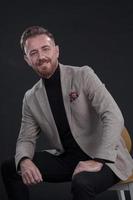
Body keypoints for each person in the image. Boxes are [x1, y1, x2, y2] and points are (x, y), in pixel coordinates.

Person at [1, 26, 133, 200]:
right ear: (27, 59)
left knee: (82, 182)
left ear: (56, 51)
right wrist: (24, 160)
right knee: (11, 167)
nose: (41, 57)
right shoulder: (30, 98)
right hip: (68, 159)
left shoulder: (83, 75)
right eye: (33, 53)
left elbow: (113, 115)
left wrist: (99, 160)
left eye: (45, 49)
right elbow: (26, 138)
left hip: (106, 158)